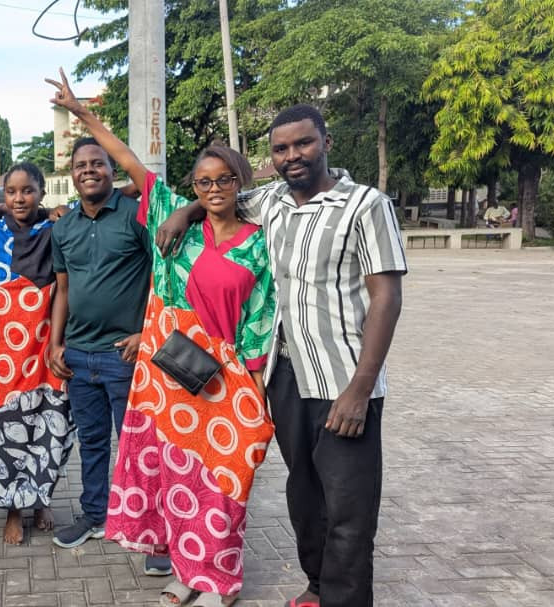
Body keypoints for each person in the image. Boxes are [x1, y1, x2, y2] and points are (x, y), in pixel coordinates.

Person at [161, 104, 406, 607]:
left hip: (343, 380)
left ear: (326, 143)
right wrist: (184, 212)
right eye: (281, 149)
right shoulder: (270, 200)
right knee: (305, 495)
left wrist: (361, 389)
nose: (292, 155)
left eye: (303, 143)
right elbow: (218, 196)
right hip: (286, 376)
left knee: (349, 507)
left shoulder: (366, 205)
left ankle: (344, 600)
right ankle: (317, 586)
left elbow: (386, 296)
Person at [48, 71, 275, 607]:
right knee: (178, 477)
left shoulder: (259, 243)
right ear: (192, 187)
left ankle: (220, 577)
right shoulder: (176, 226)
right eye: (203, 182)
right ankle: (184, 569)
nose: (213, 189)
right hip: (169, 374)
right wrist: (82, 114)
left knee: (226, 479)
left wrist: (257, 389)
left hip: (227, 377)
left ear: (239, 183)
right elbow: (127, 161)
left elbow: (260, 318)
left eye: (224, 180)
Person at [44, 83, 154, 559]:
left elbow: (161, 280)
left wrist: (147, 332)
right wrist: (55, 343)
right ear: (71, 175)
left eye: (98, 164)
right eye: (81, 165)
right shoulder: (64, 226)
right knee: (91, 443)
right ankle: (94, 514)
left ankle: (149, 527)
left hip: (123, 355)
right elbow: (63, 289)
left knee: (138, 445)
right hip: (79, 356)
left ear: (112, 170)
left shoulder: (136, 215)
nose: (89, 170)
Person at [0, 162, 75, 545]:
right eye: (11, 191)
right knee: (3, 432)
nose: (18, 198)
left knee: (49, 425)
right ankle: (13, 509)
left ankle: (40, 499)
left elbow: (116, 195)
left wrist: (53, 214)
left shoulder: (57, 231)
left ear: (42, 193)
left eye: (28, 190)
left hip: (45, 346)